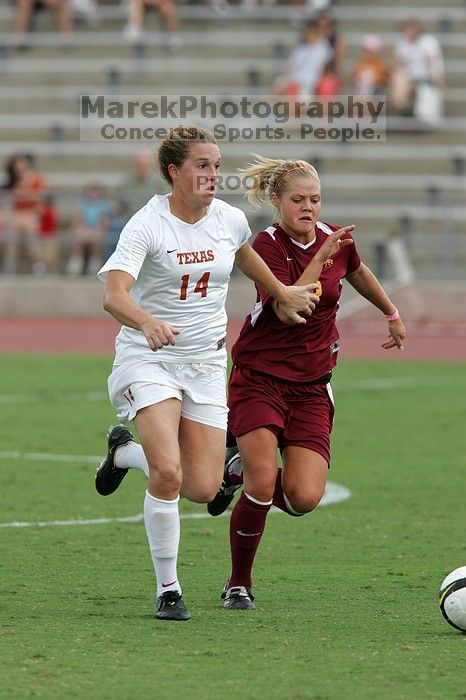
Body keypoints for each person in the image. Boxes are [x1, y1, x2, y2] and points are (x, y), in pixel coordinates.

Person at [94, 126, 319, 622]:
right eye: (201, 166)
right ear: (174, 172)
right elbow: (114, 295)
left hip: (206, 364)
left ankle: (124, 452)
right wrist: (148, 321)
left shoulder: (229, 219)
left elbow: (243, 254)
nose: (213, 175)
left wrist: (281, 292)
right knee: (170, 473)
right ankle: (168, 590)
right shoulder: (146, 224)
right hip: (148, 358)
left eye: (216, 165)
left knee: (203, 486)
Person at [205, 155, 406, 610]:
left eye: (315, 199)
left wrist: (390, 313)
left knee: (303, 498)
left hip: (313, 387)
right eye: (298, 200)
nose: (309, 208)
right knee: (261, 484)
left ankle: (231, 468)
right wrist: (321, 254)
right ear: (277, 202)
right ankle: (238, 583)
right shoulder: (266, 244)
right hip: (260, 379)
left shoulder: (333, 239)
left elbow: (356, 270)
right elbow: (289, 307)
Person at [390, 19, 445, 124]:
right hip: (409, 78)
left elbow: (434, 63)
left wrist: (439, 82)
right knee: (398, 78)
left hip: (427, 78)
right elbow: (396, 60)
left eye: (409, 30)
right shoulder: (402, 41)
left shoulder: (428, 41)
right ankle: (398, 111)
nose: (406, 33)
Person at [66, 182, 110, 275]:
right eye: (91, 191)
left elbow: (104, 223)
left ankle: (94, 265)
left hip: (97, 230)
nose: (93, 193)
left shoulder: (104, 206)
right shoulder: (83, 205)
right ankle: (76, 264)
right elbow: (78, 220)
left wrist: (94, 230)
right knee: (77, 235)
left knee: (96, 238)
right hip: (85, 230)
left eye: (95, 191)